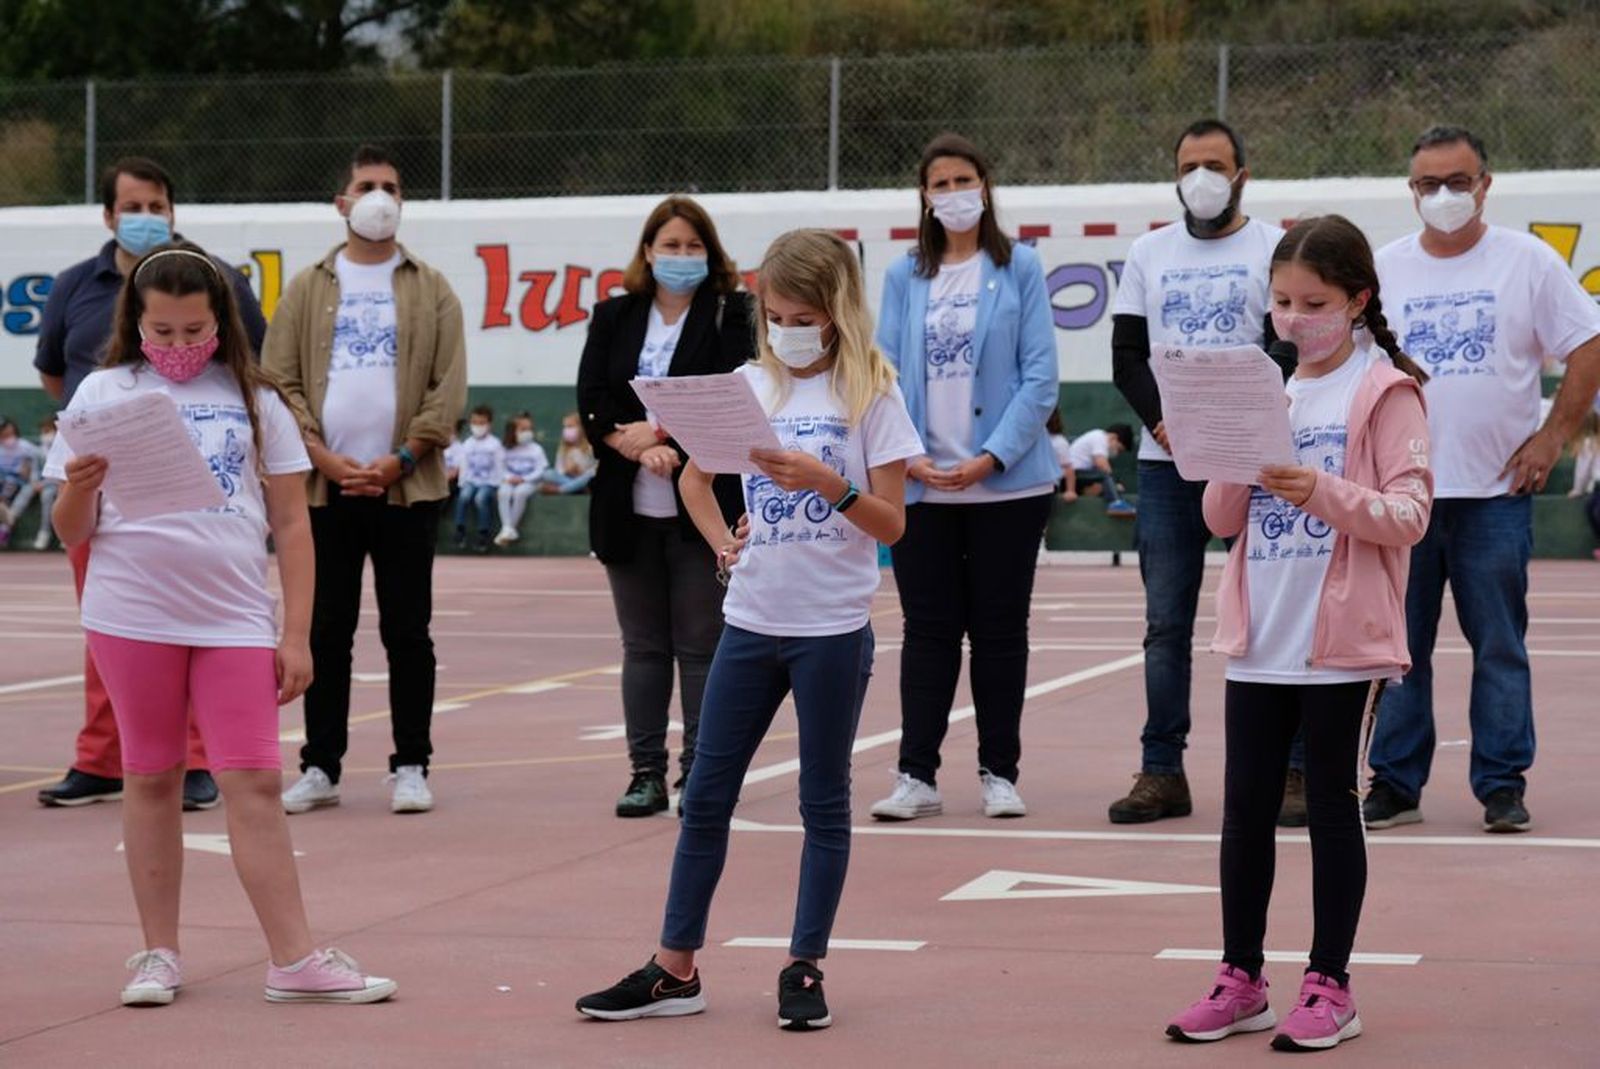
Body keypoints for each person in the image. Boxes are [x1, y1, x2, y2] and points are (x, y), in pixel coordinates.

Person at [576, 228, 922, 1031]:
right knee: (705, 794)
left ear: (836, 312)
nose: (788, 327)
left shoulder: (871, 391)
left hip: (831, 628)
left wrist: (830, 485)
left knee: (822, 800)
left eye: (803, 314)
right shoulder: (747, 382)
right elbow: (699, 477)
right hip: (751, 620)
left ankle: (804, 964)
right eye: (775, 313)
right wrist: (720, 540)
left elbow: (895, 525)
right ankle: (674, 966)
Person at [44, 242, 395, 1008]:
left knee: (255, 779)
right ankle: (156, 954)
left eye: (192, 330)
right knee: (151, 774)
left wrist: (295, 633)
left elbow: (292, 526)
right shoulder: (102, 391)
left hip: (232, 614)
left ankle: (294, 959)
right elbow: (71, 529)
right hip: (130, 612)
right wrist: (77, 485)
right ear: (135, 323)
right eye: (161, 331)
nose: (176, 346)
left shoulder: (255, 397)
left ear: (220, 324)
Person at [1165, 216, 1431, 1052]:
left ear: (1357, 300)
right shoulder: (1270, 389)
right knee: (1243, 810)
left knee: (1329, 806)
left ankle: (1331, 983)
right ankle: (1241, 977)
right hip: (1260, 637)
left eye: (1313, 302)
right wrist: (1229, 458)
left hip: (1340, 644)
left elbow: (1409, 515)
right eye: (1281, 301)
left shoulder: (1385, 391)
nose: (1293, 317)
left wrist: (1316, 485)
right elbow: (1219, 517)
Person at [1363, 126, 1600, 834]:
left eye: (1457, 182)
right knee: (1398, 649)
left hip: (1496, 495)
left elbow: (1587, 346)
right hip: (1403, 495)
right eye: (1427, 184)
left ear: (1485, 184)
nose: (1442, 196)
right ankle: (1395, 783)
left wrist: (1553, 435)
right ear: (1411, 191)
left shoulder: (1528, 261)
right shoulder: (1385, 267)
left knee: (1499, 642)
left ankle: (1501, 784)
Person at [33, 156, 265, 811]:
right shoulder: (76, 286)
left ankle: (195, 760)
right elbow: (56, 374)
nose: (145, 217)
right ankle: (101, 760)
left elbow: (251, 363)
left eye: (155, 204)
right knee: (111, 627)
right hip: (103, 483)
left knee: (194, 625)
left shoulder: (219, 282)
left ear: (173, 210)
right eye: (131, 207)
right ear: (108, 216)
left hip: (198, 490)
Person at [267, 144, 468, 818]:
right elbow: (280, 380)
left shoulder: (432, 286)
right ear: (342, 202)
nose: (378, 196)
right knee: (326, 629)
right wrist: (320, 456)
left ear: (401, 202)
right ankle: (320, 764)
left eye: (390, 185)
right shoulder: (305, 287)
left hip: (406, 487)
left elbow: (448, 386)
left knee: (408, 631)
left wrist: (402, 458)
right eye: (366, 185)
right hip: (324, 491)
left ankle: (411, 763)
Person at [868, 133, 1059, 822]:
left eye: (963, 180)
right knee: (928, 629)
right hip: (921, 484)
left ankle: (998, 771)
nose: (953, 194)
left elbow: (1040, 378)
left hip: (1008, 484)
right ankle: (916, 773)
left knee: (1001, 629)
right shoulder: (902, 275)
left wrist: (993, 456)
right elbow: (880, 373)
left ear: (986, 185)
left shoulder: (1022, 268)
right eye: (939, 183)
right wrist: (908, 454)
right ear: (924, 195)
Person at [1107, 119, 1294, 825]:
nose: (1202, 177)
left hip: (1254, 463)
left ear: (1242, 173)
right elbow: (1127, 354)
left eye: (1215, 164)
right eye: (1189, 165)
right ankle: (1163, 772)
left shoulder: (1275, 245)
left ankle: (1295, 771)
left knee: (1278, 614)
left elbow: (1287, 343)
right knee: (1165, 624)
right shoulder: (1148, 251)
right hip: (1166, 466)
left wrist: (1235, 425)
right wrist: (1165, 422)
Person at [577, 195, 754, 818]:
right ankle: (644, 772)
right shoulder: (614, 316)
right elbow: (593, 397)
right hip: (627, 509)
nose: (681, 257)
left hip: (699, 508)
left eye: (693, 246)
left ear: (711, 253)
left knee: (702, 644)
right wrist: (628, 444)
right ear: (647, 252)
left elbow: (728, 396)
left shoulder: (732, 316)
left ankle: (697, 775)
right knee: (643, 646)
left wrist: (661, 439)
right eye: (670, 245)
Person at [454, 405, 505, 550]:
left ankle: (483, 534)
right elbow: (463, 466)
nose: (478, 426)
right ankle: (460, 530)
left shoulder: (495, 444)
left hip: (488, 482)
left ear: (489, 424)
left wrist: (498, 485)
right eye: (475, 423)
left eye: (482, 423)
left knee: (480, 498)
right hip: (470, 481)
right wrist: (462, 483)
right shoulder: (467, 444)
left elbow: (499, 466)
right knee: (464, 496)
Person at [495, 411, 549, 544]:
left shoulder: (536, 449)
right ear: (512, 431)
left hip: (530, 482)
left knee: (520, 493)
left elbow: (541, 470)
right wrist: (509, 477)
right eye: (523, 429)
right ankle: (508, 529)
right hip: (509, 481)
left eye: (529, 429)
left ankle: (508, 528)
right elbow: (500, 468)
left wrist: (524, 479)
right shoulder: (504, 448)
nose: (528, 432)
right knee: (504, 492)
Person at [1063, 423, 1137, 516]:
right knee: (1104, 475)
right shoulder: (1099, 437)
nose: (1117, 453)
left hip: (1077, 476)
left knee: (1101, 485)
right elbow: (1101, 464)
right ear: (1114, 437)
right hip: (1073, 474)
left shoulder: (1096, 437)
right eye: (1119, 449)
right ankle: (1116, 503)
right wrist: (1114, 484)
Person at [0, 417, 37, 547]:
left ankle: (6, 526)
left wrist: (31, 478)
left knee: (11, 482)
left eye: (6, 428)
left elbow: (31, 471)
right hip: (3, 481)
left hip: (19, 482)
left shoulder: (26, 447)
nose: (5, 432)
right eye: (2, 430)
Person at [541, 411, 598, 494]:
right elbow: (559, 469)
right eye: (565, 427)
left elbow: (595, 468)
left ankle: (560, 490)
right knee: (547, 474)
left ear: (581, 427)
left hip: (585, 478)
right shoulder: (563, 448)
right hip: (570, 478)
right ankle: (577, 488)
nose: (567, 430)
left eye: (570, 426)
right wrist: (567, 470)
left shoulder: (590, 446)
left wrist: (580, 471)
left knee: (591, 475)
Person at [1570, 407, 1600, 559]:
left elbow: (1582, 471)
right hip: (1597, 487)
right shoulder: (1591, 443)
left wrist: (1577, 489)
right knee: (1592, 509)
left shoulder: (1589, 444)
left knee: (1595, 512)